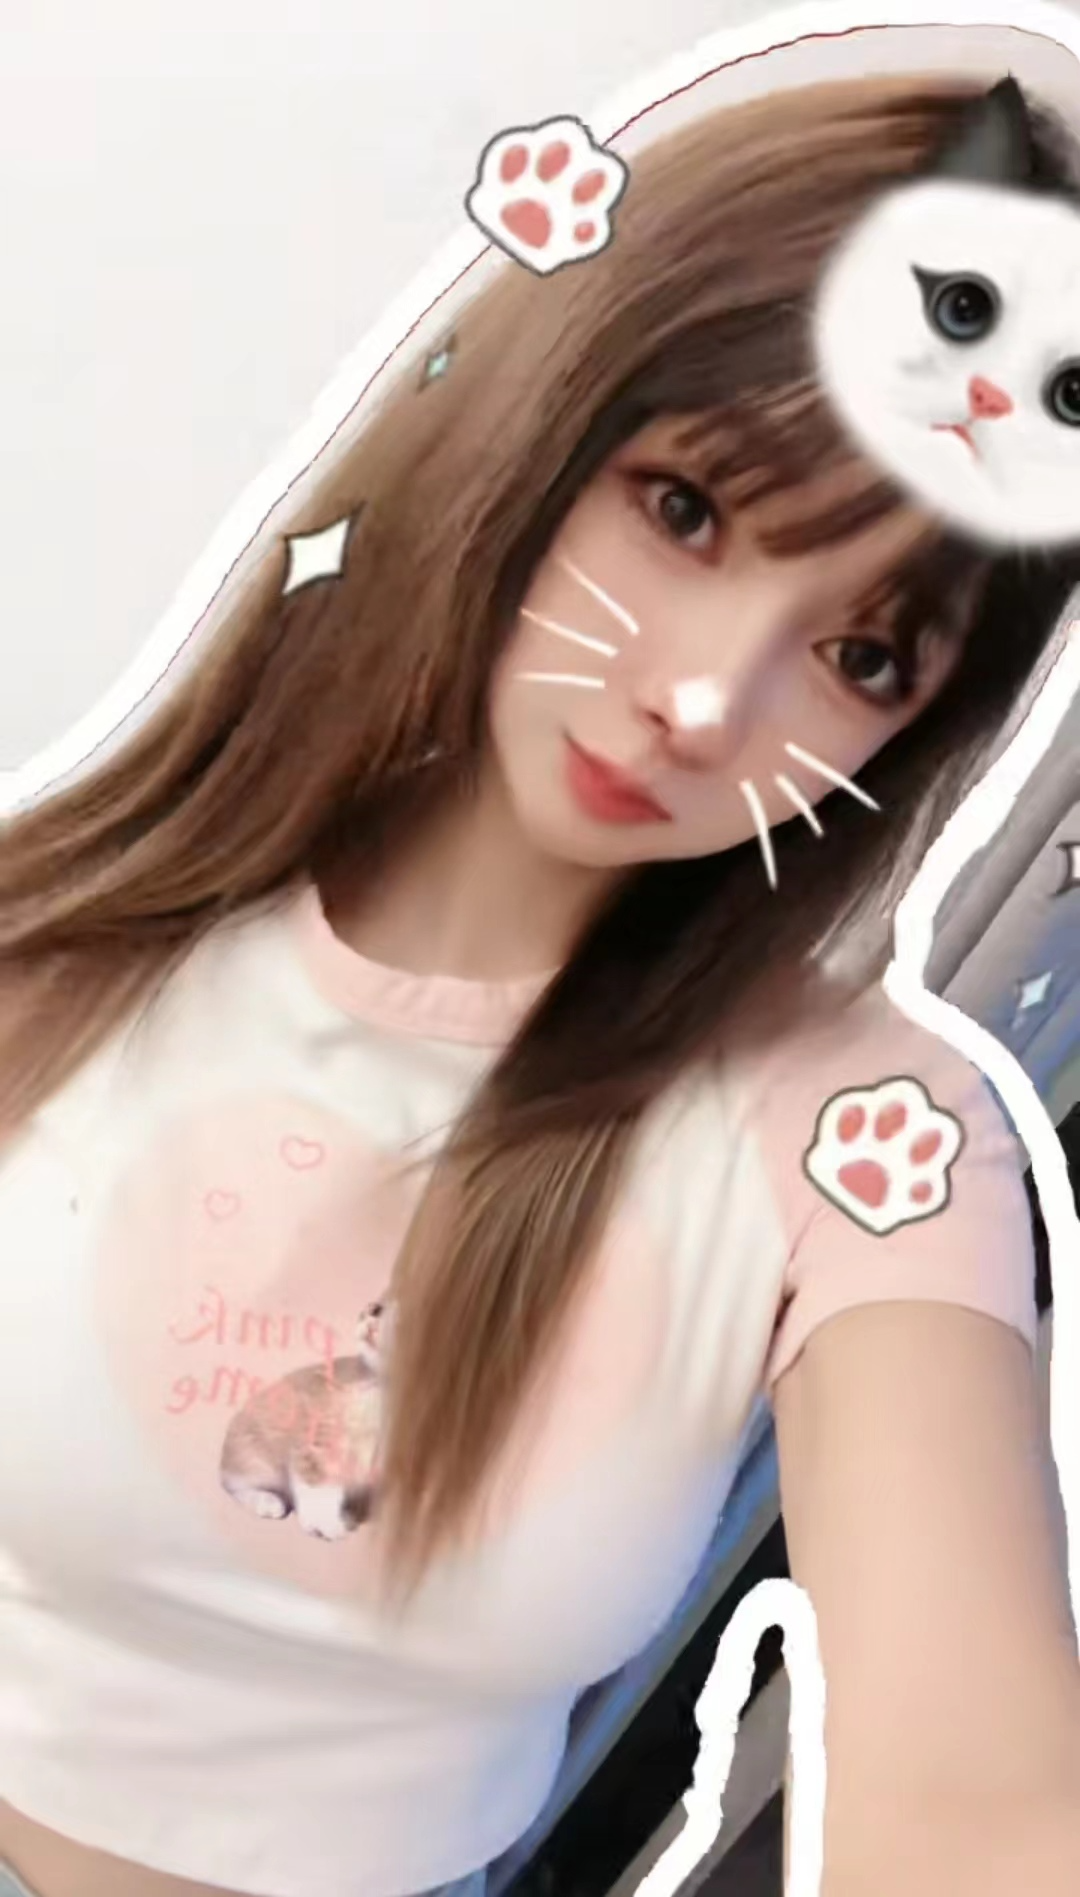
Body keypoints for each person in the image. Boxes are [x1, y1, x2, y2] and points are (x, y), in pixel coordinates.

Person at [1, 69, 1079, 1897]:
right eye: (688, 508)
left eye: (864, 656)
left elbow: (976, 1798)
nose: (705, 703)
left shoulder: (866, 1138)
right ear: (538, 417)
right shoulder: (62, 946)